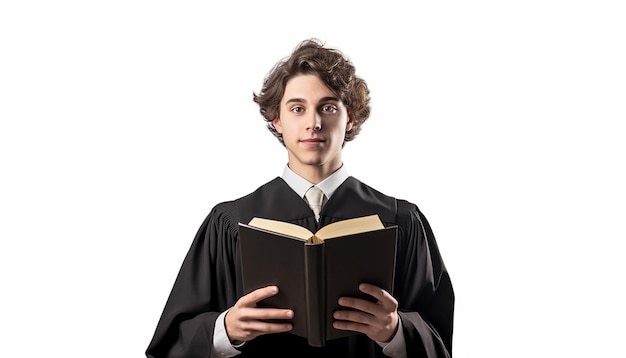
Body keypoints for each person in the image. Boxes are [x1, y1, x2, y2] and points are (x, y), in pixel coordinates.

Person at [146, 38, 454, 358]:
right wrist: (225, 331)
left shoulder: (400, 220)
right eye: (297, 108)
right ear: (277, 120)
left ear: (349, 118)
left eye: (328, 107)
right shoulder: (230, 222)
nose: (313, 123)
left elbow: (438, 338)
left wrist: (395, 332)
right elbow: (172, 342)